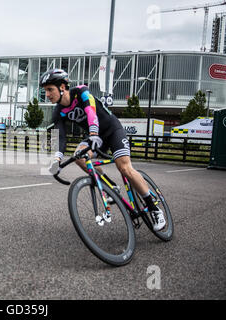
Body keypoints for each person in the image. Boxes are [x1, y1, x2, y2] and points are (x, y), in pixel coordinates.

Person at [42, 69, 166, 231]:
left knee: (124, 167)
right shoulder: (59, 111)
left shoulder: (81, 92)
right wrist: (57, 160)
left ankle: (154, 208)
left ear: (63, 87)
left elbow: (91, 111)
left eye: (50, 89)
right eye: (45, 91)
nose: (47, 94)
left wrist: (93, 133)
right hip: (95, 136)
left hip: (111, 130)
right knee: (79, 156)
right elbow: (61, 138)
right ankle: (111, 185)